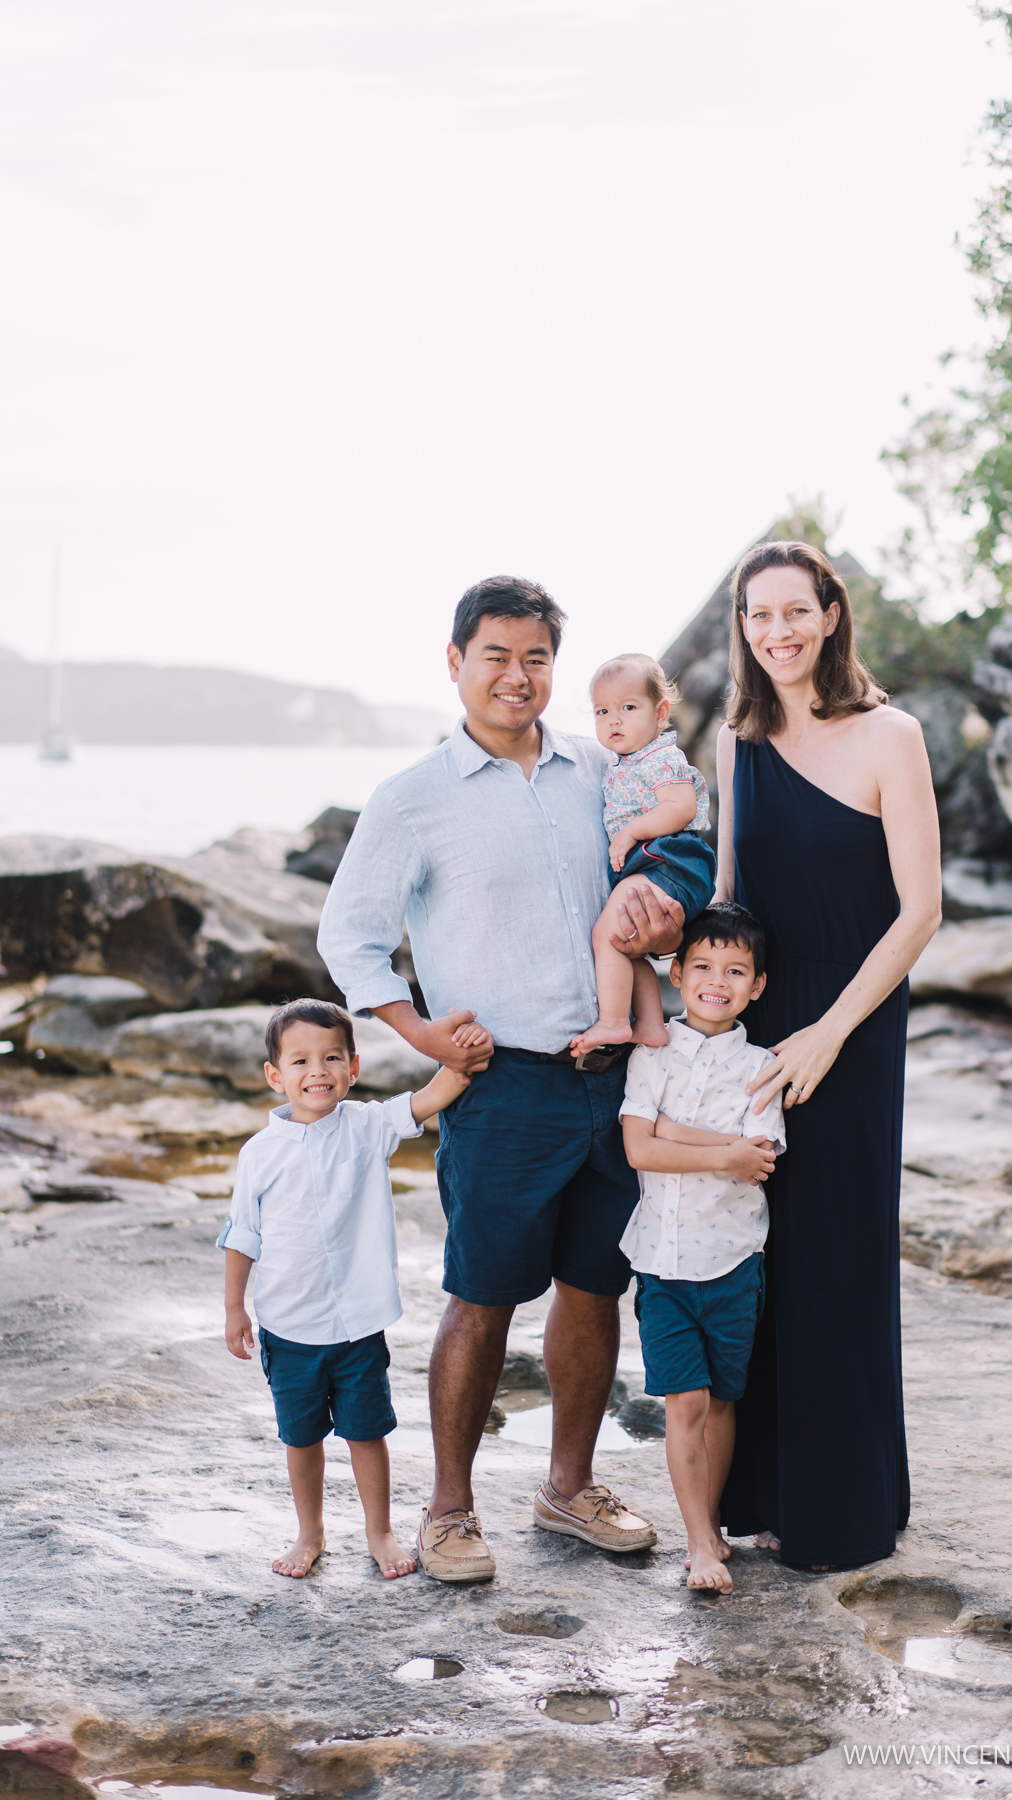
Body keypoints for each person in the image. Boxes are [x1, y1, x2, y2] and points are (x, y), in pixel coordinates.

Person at [317, 576, 685, 1583]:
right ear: (455, 663)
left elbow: (655, 890)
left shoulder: (596, 778)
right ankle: (448, 1510)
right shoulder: (413, 800)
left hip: (612, 1078)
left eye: (535, 658)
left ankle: (569, 1489)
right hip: (500, 1086)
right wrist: (425, 1037)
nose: (517, 676)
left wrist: (667, 924)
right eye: (496, 656)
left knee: (595, 1286)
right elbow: (349, 938)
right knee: (480, 1297)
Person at [715, 538, 942, 1570]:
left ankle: (846, 1507)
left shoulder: (891, 734)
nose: (779, 632)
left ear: (831, 613)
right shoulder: (736, 739)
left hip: (851, 1029)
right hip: (758, 1035)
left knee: (838, 1257)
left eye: (794, 611)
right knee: (759, 1250)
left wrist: (830, 1031)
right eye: (759, 616)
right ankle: (759, 1492)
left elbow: (920, 911)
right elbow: (725, 902)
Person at [219, 997, 472, 1580]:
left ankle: (379, 1532)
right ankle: (309, 1533)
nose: (318, 1072)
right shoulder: (259, 1155)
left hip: (358, 1319)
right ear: (275, 1076)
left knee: (366, 1431)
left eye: (332, 1058)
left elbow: (433, 1095)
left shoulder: (367, 1125)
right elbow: (242, 1235)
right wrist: (235, 1307)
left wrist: (459, 1052)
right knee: (301, 1437)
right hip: (289, 1324)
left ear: (353, 1068)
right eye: (301, 1061)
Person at [620, 903, 785, 1592]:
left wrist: (673, 1132)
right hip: (662, 1262)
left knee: (721, 1402)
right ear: (678, 974)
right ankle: (699, 1544)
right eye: (704, 967)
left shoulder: (764, 1067)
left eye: (736, 971)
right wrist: (721, 1150)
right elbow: (638, 1148)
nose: (718, 981)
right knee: (684, 1402)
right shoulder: (651, 1053)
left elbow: (760, 1157)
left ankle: (711, 1525)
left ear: (757, 986)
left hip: (733, 1262)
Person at [570, 654, 716, 1057]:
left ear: (661, 713)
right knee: (626, 945)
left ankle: (615, 1023)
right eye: (602, 711)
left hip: (670, 860)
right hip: (653, 864)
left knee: (606, 936)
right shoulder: (620, 764)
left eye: (628, 708)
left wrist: (632, 831)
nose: (613, 720)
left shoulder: (661, 757)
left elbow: (681, 807)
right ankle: (651, 1027)